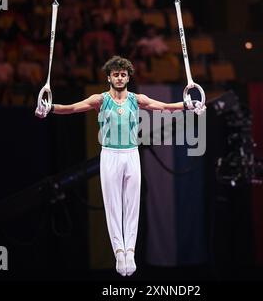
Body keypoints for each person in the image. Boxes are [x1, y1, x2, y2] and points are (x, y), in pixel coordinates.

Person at [35, 55, 204, 276]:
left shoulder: (137, 99)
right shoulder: (100, 100)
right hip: (110, 155)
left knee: (132, 205)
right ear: (109, 78)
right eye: (116, 74)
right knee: (113, 205)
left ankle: (130, 251)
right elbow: (73, 108)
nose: (120, 77)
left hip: (131, 154)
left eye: (123, 74)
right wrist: (50, 108)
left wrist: (188, 105)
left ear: (128, 77)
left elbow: (163, 106)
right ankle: (119, 251)